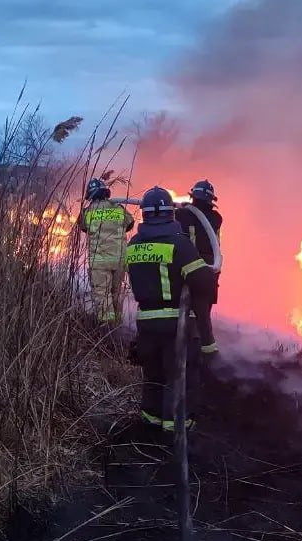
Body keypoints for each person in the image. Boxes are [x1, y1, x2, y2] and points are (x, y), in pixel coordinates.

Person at [125, 186, 218, 433]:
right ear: (170, 214)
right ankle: (176, 432)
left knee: (153, 377)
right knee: (178, 378)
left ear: (145, 215)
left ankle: (149, 428)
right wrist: (209, 272)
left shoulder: (133, 245)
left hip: (145, 323)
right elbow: (202, 281)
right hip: (174, 324)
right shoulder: (179, 244)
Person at [77, 177, 135, 325]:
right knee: (116, 294)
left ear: (90, 196)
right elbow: (130, 223)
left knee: (102, 296)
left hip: (99, 262)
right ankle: (118, 326)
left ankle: (106, 331)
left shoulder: (88, 212)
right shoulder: (118, 208)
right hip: (119, 260)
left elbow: (83, 227)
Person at [175, 179, 222, 318]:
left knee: (183, 304)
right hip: (210, 265)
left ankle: (184, 332)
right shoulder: (216, 218)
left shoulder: (182, 214)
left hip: (188, 262)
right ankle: (199, 334)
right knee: (203, 309)